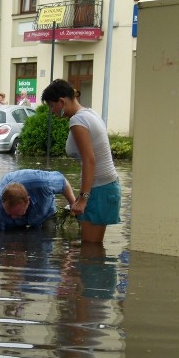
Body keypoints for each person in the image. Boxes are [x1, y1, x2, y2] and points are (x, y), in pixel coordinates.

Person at [41, 79, 121, 243]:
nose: (52, 111)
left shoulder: (77, 121)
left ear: (62, 102)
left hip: (100, 190)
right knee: (92, 251)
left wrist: (83, 199)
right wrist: (82, 196)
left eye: (52, 106)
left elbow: (89, 160)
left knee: (90, 251)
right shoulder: (89, 113)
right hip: (105, 187)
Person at [0, 169, 76, 231]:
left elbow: (63, 182)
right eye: (9, 214)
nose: (13, 217)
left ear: (27, 201)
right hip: (7, 221)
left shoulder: (43, 183)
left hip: (44, 211)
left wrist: (73, 204)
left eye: (17, 214)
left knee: (48, 235)